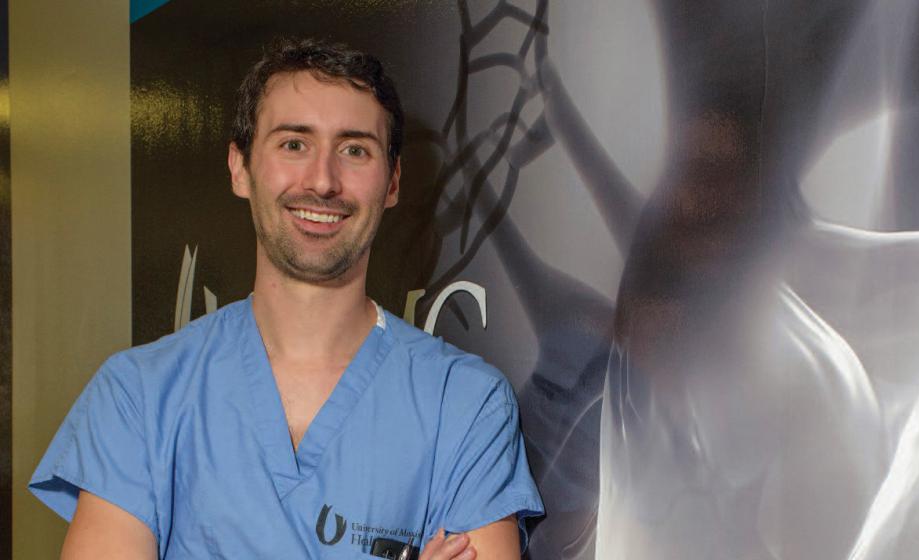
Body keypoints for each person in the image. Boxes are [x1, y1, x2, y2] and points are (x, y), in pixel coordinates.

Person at [28, 37, 543, 559]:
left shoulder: (465, 405)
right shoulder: (139, 397)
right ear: (240, 167)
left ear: (391, 183)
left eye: (355, 149)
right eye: (294, 143)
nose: (322, 181)